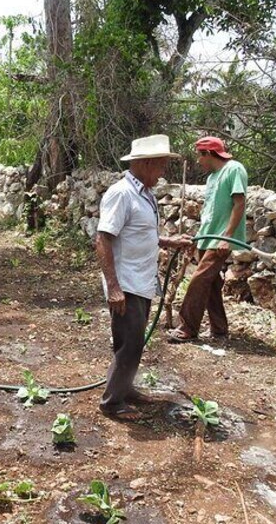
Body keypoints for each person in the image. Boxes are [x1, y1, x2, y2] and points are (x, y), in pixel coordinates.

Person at [96, 134, 192, 419]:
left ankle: (125, 389)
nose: (162, 174)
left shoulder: (144, 193)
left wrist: (168, 241)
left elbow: (139, 233)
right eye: (161, 166)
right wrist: (114, 287)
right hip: (126, 282)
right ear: (147, 163)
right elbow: (103, 239)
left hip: (141, 280)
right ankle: (112, 403)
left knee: (131, 341)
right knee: (131, 343)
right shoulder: (121, 193)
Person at [169, 136, 247, 343]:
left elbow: (239, 203)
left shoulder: (234, 169)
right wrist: (198, 238)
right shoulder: (212, 177)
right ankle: (219, 330)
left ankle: (187, 328)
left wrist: (227, 237)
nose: (197, 161)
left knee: (198, 279)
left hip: (220, 238)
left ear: (209, 153)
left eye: (199, 156)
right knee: (211, 283)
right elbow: (210, 212)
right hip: (207, 237)